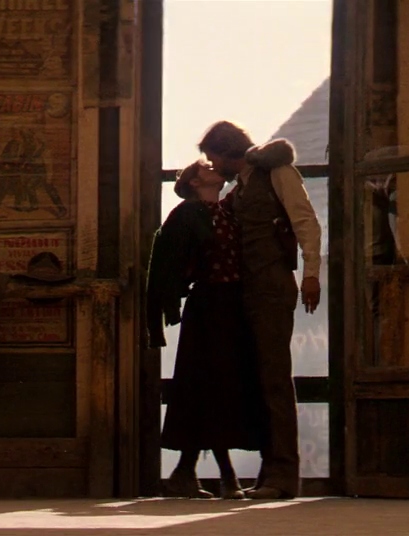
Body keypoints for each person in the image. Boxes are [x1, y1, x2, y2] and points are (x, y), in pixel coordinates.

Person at [199, 121, 323, 500]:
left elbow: (305, 220)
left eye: (213, 157)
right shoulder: (241, 187)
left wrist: (311, 274)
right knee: (261, 380)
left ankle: (283, 474)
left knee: (274, 378)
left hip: (271, 285)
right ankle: (272, 471)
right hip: (250, 289)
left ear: (226, 150)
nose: (213, 165)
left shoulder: (276, 173)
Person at [147, 161, 267, 500]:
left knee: (216, 388)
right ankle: (225, 476)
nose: (216, 168)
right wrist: (169, 299)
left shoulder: (226, 211)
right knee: (212, 386)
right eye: (208, 167)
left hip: (232, 305)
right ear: (196, 181)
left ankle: (185, 472)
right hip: (209, 306)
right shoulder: (188, 214)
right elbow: (166, 261)